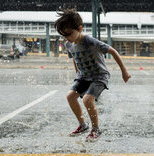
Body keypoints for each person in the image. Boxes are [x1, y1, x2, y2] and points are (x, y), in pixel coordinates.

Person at [54, 8, 131, 142]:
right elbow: (74, 58)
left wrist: (124, 71)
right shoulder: (69, 44)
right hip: (83, 76)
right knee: (70, 96)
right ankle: (83, 125)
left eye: (69, 34)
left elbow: (113, 51)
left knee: (87, 99)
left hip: (99, 76)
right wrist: (77, 73)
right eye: (63, 35)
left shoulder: (90, 41)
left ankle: (95, 129)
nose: (67, 38)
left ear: (79, 28)